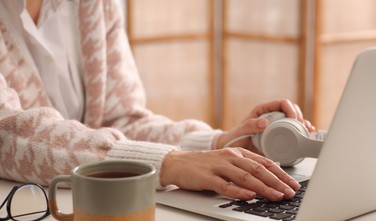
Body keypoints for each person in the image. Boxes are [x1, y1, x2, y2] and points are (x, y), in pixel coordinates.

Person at [0, 0, 314, 202]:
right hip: (23, 220)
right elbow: (6, 135)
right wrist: (168, 163)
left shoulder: (94, 5)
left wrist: (215, 143)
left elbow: (121, 120)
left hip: (95, 210)